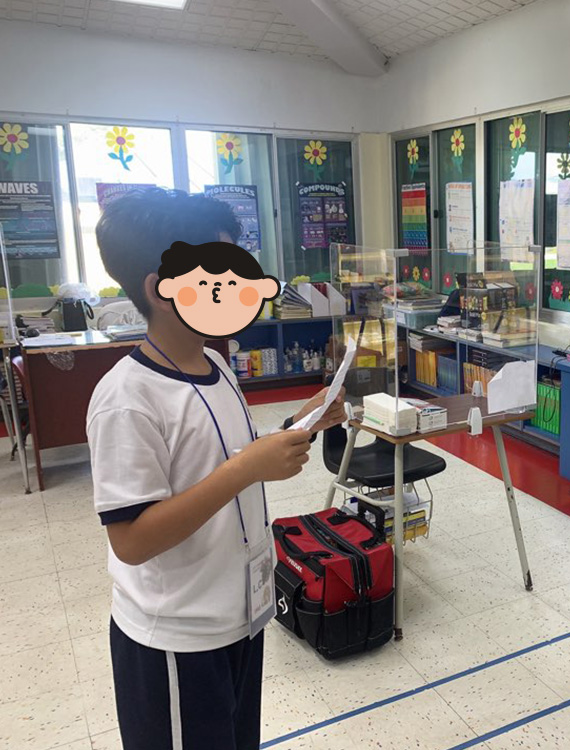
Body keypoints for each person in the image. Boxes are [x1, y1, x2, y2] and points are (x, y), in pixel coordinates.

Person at [88, 188, 347, 750]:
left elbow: (226, 456)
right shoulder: (126, 399)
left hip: (238, 616)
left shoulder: (215, 363)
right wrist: (247, 468)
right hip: (176, 639)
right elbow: (131, 539)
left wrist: (302, 423)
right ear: (161, 290)